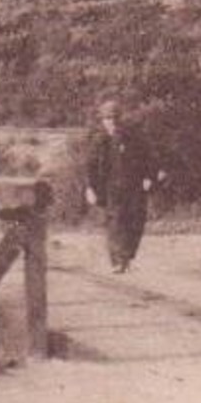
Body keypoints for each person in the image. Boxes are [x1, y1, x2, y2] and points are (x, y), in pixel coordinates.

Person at [83, 99, 165, 274]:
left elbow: (149, 157)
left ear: (120, 119)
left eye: (114, 118)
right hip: (111, 188)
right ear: (102, 121)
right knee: (115, 221)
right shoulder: (99, 141)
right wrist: (90, 188)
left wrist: (150, 177)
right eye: (107, 119)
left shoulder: (133, 137)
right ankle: (118, 260)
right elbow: (90, 166)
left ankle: (127, 257)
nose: (111, 123)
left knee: (136, 221)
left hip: (134, 186)